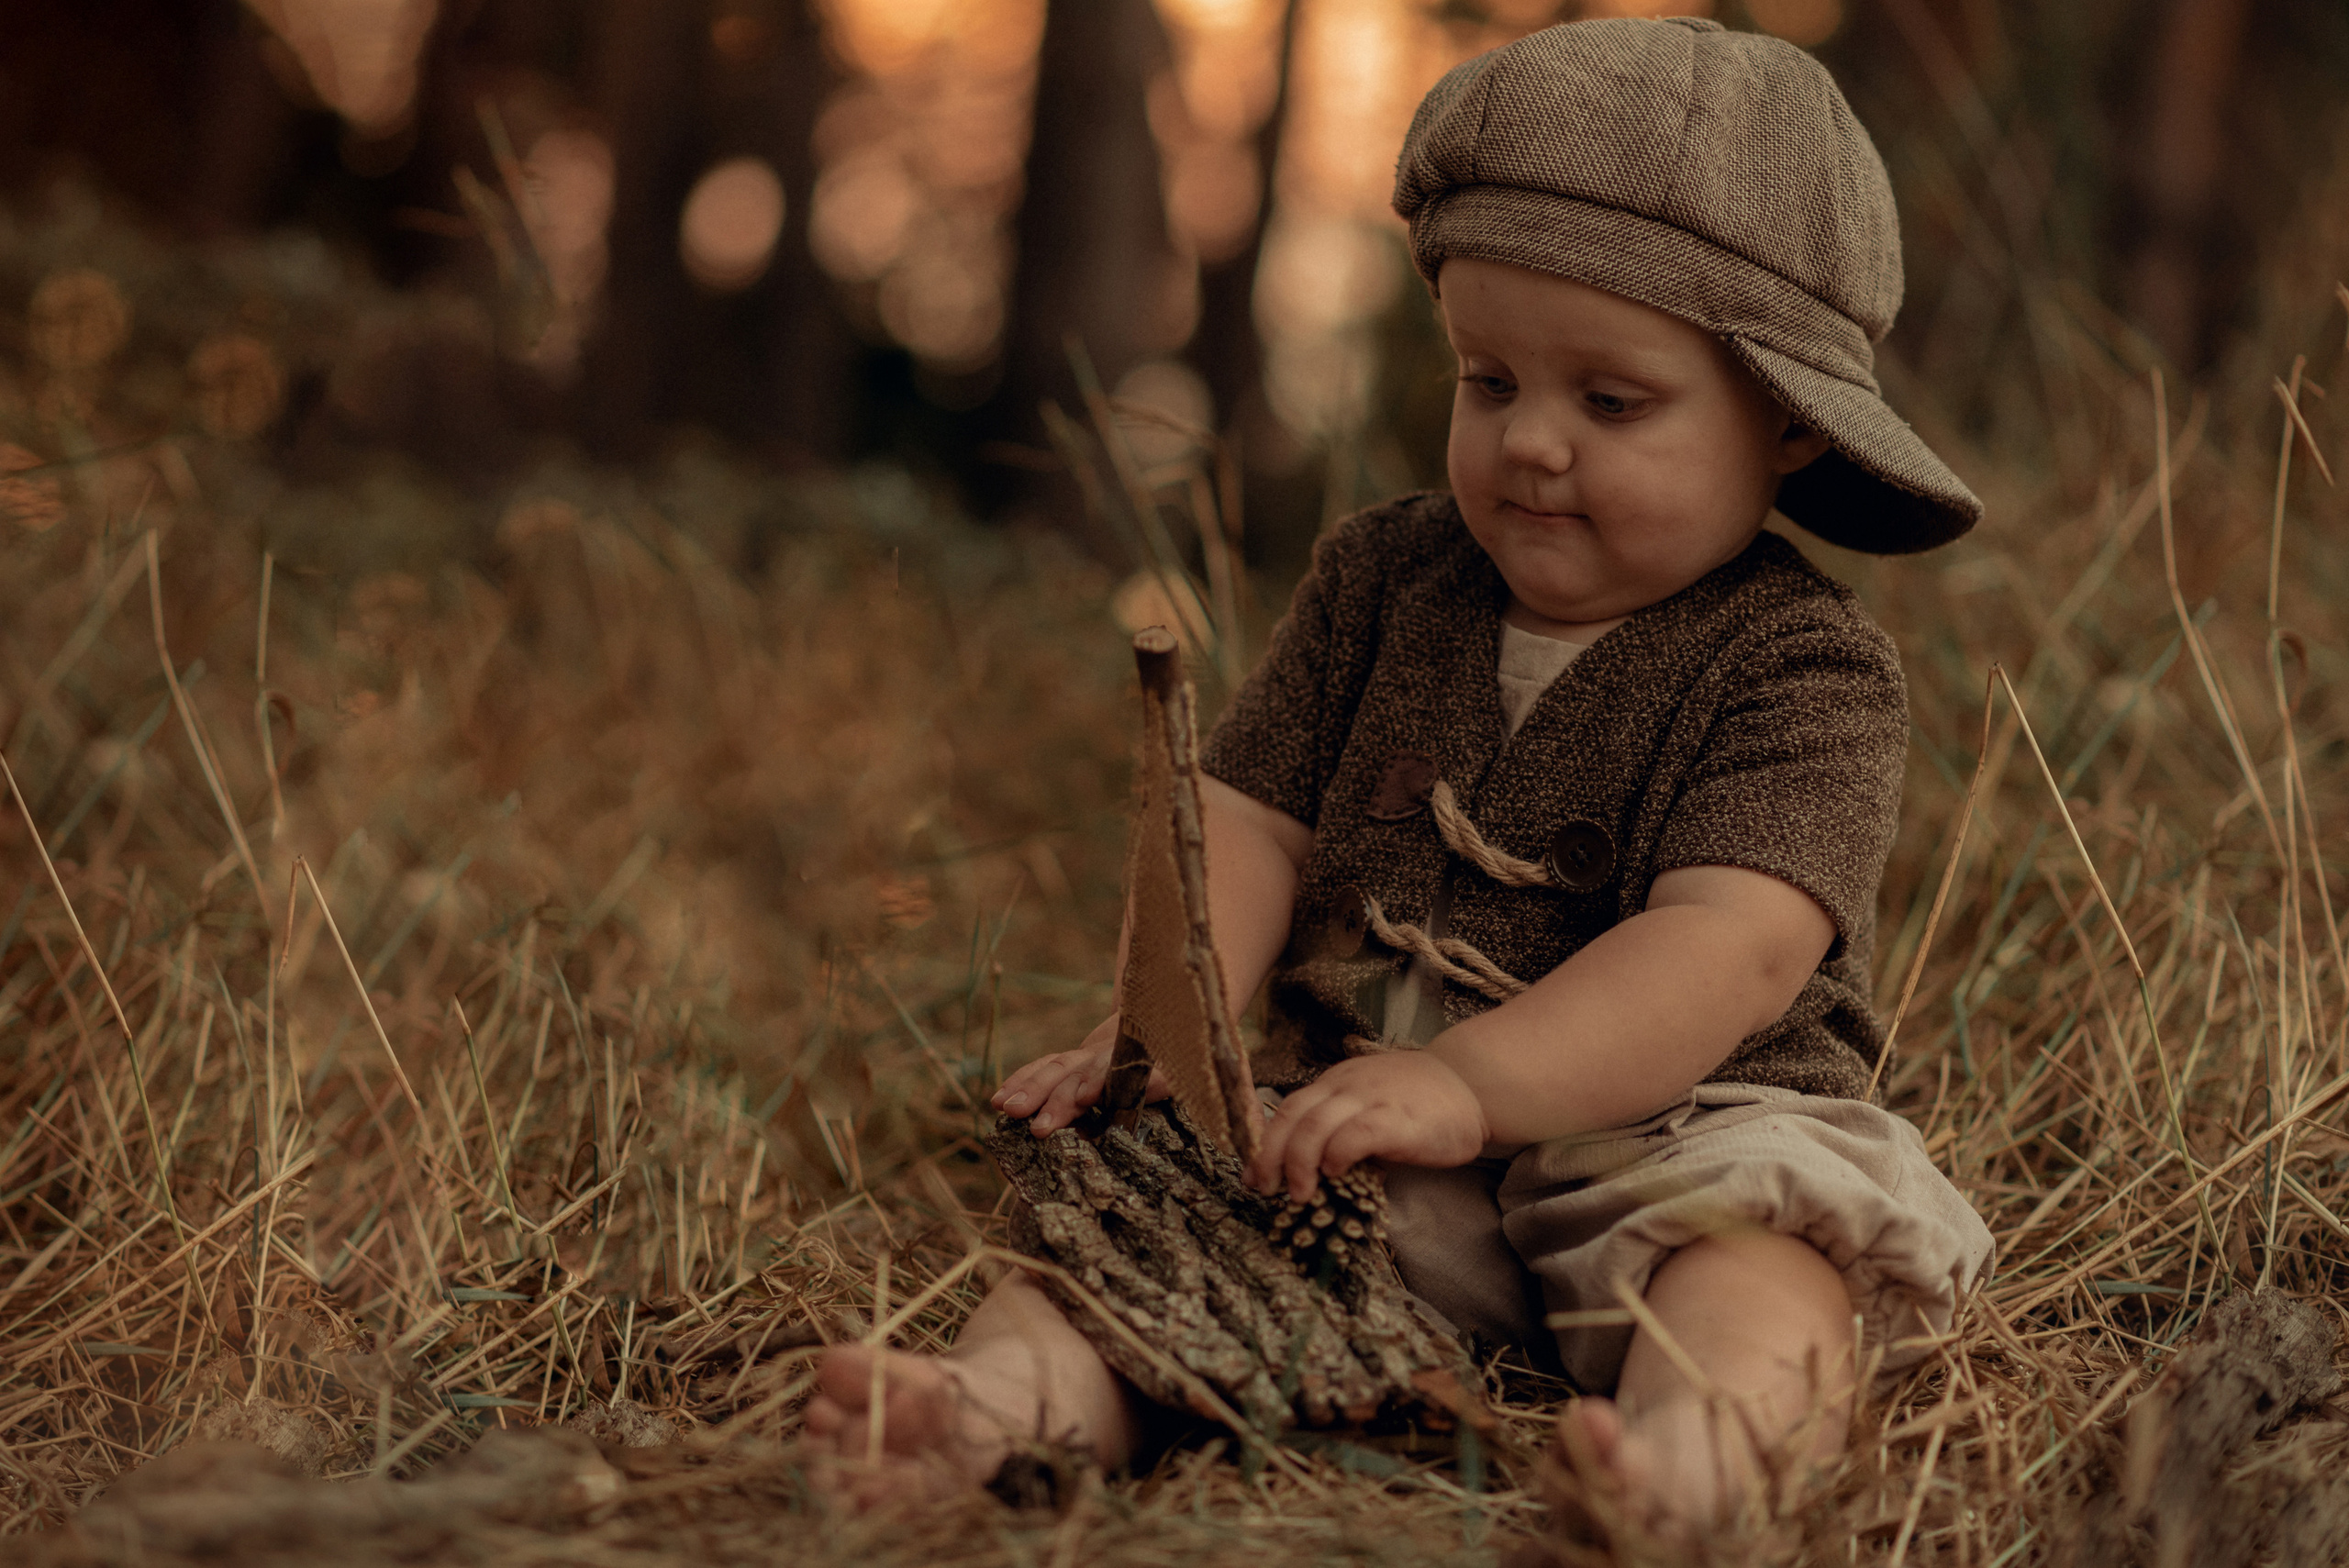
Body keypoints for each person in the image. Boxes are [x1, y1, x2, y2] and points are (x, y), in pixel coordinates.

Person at [805, 15, 1994, 1531]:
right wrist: (1163, 1023)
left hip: (1683, 1128)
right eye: (1489, 381)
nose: (1532, 442)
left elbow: (1729, 945)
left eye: (1610, 402)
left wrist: (1471, 1083)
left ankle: (1690, 1476)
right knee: (1162, 1235)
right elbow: (1246, 816)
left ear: (1788, 427)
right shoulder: (1383, 578)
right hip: (1372, 1129)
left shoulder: (1802, 665)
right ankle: (992, 1416)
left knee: (1762, 1272)